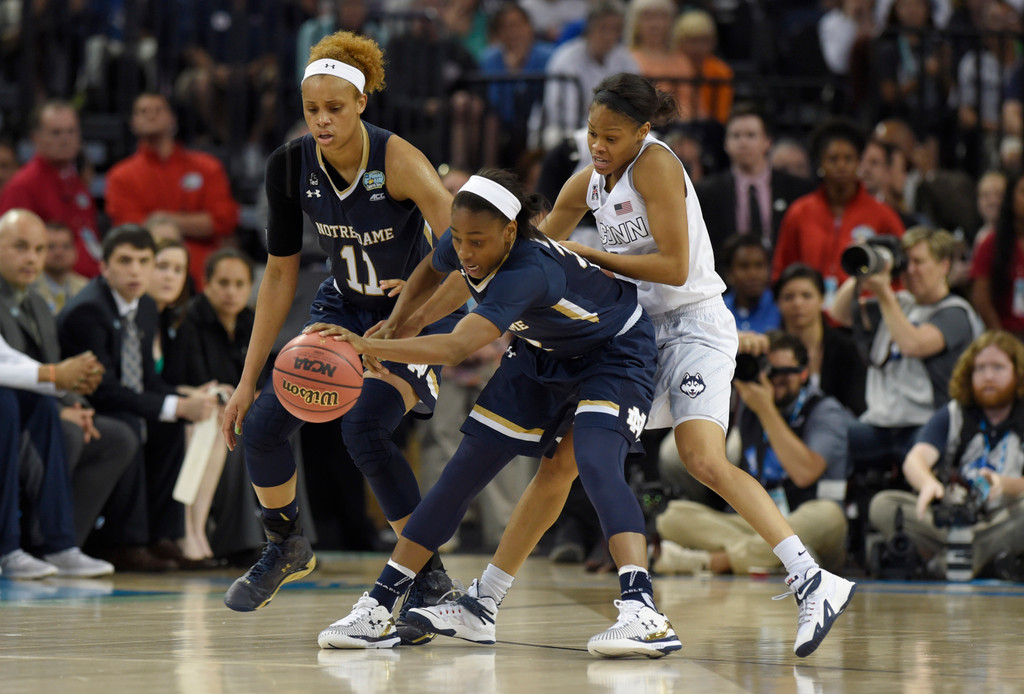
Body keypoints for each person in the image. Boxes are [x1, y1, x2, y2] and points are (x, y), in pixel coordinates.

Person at [411, 74, 856, 659]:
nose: (599, 146)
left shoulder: (656, 165)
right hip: (635, 334)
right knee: (561, 462)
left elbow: (674, 267)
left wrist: (593, 256)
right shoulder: (590, 181)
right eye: (592, 133)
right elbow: (515, 258)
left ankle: (811, 579)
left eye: (611, 136)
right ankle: (484, 601)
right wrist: (424, 310)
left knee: (701, 458)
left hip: (694, 324)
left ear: (642, 132)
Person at [315, 168, 680, 658]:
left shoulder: (529, 270)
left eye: (476, 242)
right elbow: (432, 266)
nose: (465, 251)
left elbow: (457, 346)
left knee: (593, 460)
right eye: (460, 238)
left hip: (614, 353)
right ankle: (381, 605)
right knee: (463, 469)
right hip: (540, 353)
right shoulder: (470, 237)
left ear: (511, 231)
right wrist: (400, 319)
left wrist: (368, 343)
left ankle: (644, 611)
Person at [218, 31, 462, 643]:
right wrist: (246, 381)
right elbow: (278, 274)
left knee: (365, 428)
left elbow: (460, 249)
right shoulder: (289, 165)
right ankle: (285, 544)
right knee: (264, 425)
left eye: (334, 109)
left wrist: (409, 314)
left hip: (409, 317)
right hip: (340, 312)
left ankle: (429, 580)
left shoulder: (400, 160)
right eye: (311, 110)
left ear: (360, 105)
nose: (321, 121)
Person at [58, 225, 217, 571]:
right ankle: (125, 542)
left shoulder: (144, 306)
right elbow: (105, 391)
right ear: (104, 267)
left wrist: (180, 400)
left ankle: (163, 536)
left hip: (124, 401)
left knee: (173, 426)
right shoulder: (89, 311)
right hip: (89, 406)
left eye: (143, 261)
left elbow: (147, 379)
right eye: (125, 261)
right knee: (131, 423)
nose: (135, 270)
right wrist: (173, 404)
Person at [655, 331, 850, 576]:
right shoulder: (747, 404)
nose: (771, 380)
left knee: (828, 515)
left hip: (808, 518)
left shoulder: (824, 410)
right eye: (766, 370)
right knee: (673, 516)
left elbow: (805, 473)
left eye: (781, 373)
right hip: (758, 524)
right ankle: (779, 558)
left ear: (803, 373)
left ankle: (712, 561)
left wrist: (766, 409)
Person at [869, 331, 1024, 580]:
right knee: (884, 505)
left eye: (998, 367)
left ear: (1017, 374)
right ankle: (977, 560)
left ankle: (954, 559)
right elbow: (915, 460)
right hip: (951, 521)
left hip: (1003, 518)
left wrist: (1005, 485)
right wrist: (928, 483)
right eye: (980, 368)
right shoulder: (954, 413)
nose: (988, 376)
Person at [830, 226, 983, 475]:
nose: (910, 270)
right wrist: (866, 264)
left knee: (918, 463)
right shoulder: (899, 303)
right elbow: (840, 312)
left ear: (944, 266)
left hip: (926, 424)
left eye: (919, 262)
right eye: (906, 262)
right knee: (829, 442)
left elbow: (913, 344)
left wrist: (883, 292)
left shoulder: (956, 312)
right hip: (880, 423)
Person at [104, 93, 240, 290]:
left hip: (204, 275)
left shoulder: (207, 167)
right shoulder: (120, 176)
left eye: (158, 110)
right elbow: (131, 229)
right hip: (148, 275)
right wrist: (196, 223)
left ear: (172, 119)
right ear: (133, 123)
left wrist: (162, 218)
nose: (151, 115)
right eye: (143, 111)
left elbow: (225, 219)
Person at [771, 118, 905, 304]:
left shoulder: (883, 214)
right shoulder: (799, 212)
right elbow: (782, 270)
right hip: (810, 318)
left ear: (859, 162)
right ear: (820, 164)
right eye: (833, 159)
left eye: (849, 159)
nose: (841, 166)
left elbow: (900, 272)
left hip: (865, 319)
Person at [696, 104, 815, 259]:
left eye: (751, 135)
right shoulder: (707, 192)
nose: (743, 143)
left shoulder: (797, 189)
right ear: (726, 144)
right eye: (736, 136)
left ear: (767, 142)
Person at [0, 101, 102, 277]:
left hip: (87, 282)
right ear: (36, 138)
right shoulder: (22, 186)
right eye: (56, 133)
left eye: (71, 131)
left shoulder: (76, 182)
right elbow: (11, 252)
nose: (65, 139)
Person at [532, 0, 639, 149]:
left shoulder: (625, 60)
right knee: (555, 137)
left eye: (615, 29)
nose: (609, 35)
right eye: (603, 28)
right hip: (569, 128)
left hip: (614, 130)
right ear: (590, 28)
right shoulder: (566, 58)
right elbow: (556, 108)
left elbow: (637, 101)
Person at [774, 263, 866, 416]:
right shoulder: (771, 351)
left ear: (822, 299)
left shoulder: (847, 348)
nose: (798, 303)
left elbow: (858, 407)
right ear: (777, 303)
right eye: (788, 297)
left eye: (806, 295)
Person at [971, 175, 1024, 338]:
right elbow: (980, 299)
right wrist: (1001, 339)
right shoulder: (991, 243)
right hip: (1007, 335)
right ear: (1010, 198)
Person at [721, 234, 781, 334]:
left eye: (759, 265)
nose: (753, 274)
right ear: (729, 273)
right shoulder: (718, 310)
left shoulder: (781, 307)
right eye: (744, 266)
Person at [32, 221, 89, 314]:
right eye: (51, 247)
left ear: (75, 251)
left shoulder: (86, 288)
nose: (59, 253)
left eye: (66, 246)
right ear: (39, 251)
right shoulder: (29, 287)